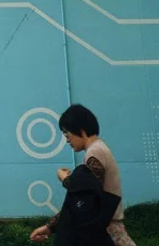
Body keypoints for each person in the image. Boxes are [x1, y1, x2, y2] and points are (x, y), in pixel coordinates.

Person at [30, 104, 136, 246]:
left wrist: (64, 178)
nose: (67, 139)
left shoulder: (95, 152)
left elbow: (85, 194)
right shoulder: (97, 149)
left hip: (106, 228)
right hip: (104, 225)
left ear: (80, 129)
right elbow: (81, 200)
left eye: (67, 133)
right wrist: (50, 227)